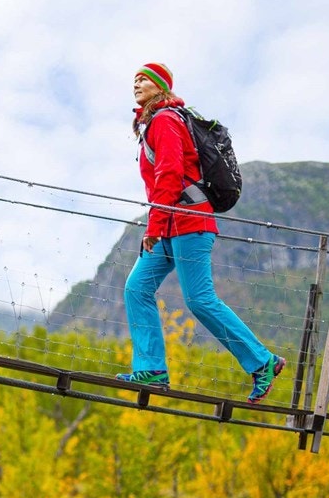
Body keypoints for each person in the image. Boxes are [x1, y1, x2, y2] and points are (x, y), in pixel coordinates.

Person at [118, 62, 283, 403]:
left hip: (189, 222)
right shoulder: (152, 123)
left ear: (160, 86)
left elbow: (169, 174)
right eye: (134, 79)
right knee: (137, 288)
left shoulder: (164, 121)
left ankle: (262, 362)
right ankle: (151, 369)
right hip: (170, 225)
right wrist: (160, 226)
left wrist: (154, 226)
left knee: (199, 300)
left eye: (144, 79)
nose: (136, 82)